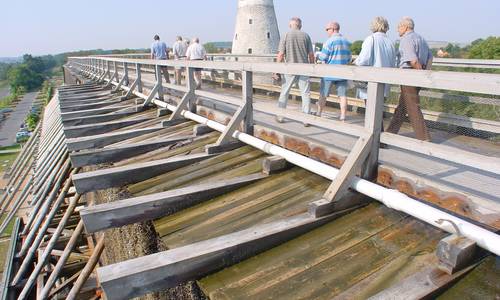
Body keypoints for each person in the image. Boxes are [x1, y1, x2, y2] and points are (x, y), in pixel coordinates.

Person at [386, 17, 432, 141]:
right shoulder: (421, 39)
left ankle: (424, 138)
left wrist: (419, 74)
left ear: (405, 27)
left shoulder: (406, 39)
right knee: (403, 106)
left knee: (412, 106)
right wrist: (425, 73)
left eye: (399, 27)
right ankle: (390, 134)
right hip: (418, 73)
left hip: (410, 75)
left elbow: (413, 60)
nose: (397, 30)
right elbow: (430, 58)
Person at [275, 17, 315, 125]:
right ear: (300, 26)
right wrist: (312, 68)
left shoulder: (286, 35)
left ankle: (280, 116)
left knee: (285, 92)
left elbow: (281, 54)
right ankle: (306, 119)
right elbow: (311, 54)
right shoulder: (306, 35)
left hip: (289, 68)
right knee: (305, 93)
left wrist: (276, 70)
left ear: (290, 25)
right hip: (304, 68)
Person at [354, 16, 396, 100]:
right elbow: (393, 63)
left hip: (371, 83)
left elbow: (363, 60)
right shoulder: (390, 42)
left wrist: (355, 62)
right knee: (380, 109)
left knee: (371, 109)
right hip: (385, 83)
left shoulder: (371, 39)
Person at [317, 21, 352, 120]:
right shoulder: (346, 41)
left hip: (329, 72)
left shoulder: (329, 41)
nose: (326, 31)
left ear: (332, 29)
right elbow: (349, 58)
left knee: (323, 94)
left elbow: (323, 57)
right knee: (343, 96)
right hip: (343, 73)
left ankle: (319, 113)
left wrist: (318, 56)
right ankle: (343, 116)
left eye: (327, 29)